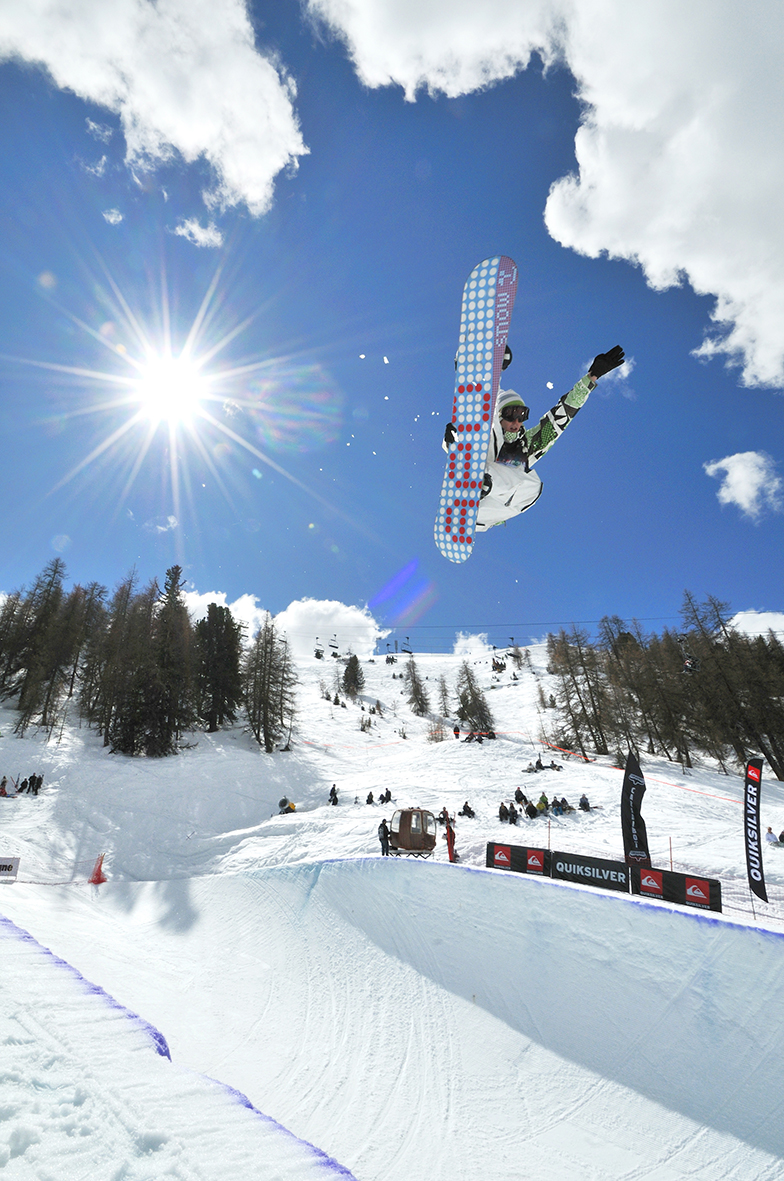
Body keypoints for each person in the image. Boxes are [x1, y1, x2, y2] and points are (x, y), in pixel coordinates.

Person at [464, 346, 625, 533]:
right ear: (499, 415)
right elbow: (477, 422)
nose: (516, 421)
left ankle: (482, 483)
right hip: (473, 476)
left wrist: (591, 378)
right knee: (490, 434)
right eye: (510, 414)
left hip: (488, 511)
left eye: (521, 415)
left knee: (533, 484)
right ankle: (482, 378)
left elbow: (559, 419)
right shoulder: (488, 431)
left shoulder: (528, 446)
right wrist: (452, 440)